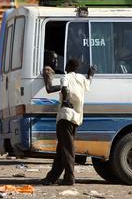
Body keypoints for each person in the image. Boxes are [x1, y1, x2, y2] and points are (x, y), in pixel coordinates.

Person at [40, 58, 94, 186]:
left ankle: (70, 178)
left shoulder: (65, 77)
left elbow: (64, 88)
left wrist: (64, 100)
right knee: (62, 149)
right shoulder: (81, 78)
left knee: (67, 149)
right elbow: (89, 83)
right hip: (76, 118)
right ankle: (51, 178)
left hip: (65, 116)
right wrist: (91, 74)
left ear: (67, 66)